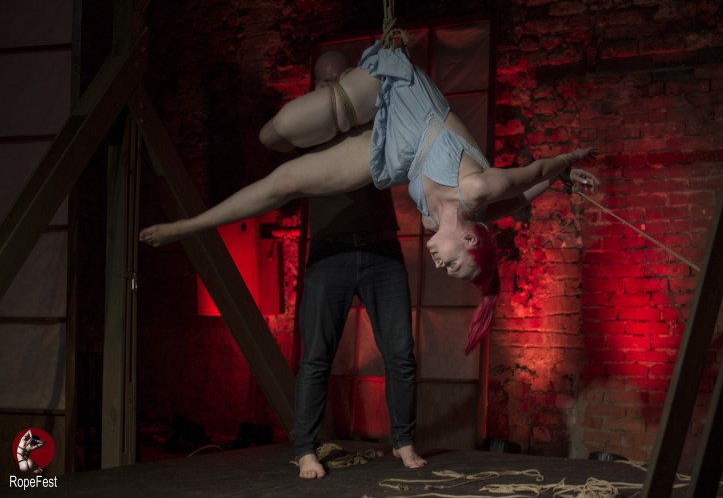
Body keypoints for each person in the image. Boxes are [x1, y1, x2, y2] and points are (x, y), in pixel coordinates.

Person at [139, 40, 598, 354]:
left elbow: (523, 201)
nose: (443, 267)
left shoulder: (439, 220)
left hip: (391, 152)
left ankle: (189, 226)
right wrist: (569, 162)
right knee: (274, 133)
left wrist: (560, 182)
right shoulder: (479, 189)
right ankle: (340, 89)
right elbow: (532, 175)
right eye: (455, 266)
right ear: (471, 240)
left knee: (285, 178)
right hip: (400, 97)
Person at [292, 51, 424, 478]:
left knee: (400, 354)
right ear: (314, 88)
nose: (334, 88)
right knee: (316, 357)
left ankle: (403, 441)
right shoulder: (308, 129)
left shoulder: (373, 118)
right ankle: (305, 449)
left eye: (341, 78)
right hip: (329, 253)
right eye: (324, 82)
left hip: (381, 250)